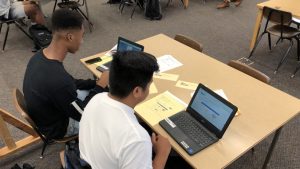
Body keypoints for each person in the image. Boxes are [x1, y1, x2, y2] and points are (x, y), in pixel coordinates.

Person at [23, 9, 109, 140]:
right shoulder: (58, 80)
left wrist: (95, 83)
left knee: (101, 95)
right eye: (82, 36)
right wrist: (100, 86)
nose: (82, 41)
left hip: (50, 112)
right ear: (70, 37)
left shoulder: (40, 56)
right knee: (110, 113)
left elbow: (70, 82)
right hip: (60, 127)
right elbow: (82, 113)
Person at [79, 51, 171, 169]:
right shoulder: (136, 138)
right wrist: (162, 153)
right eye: (149, 84)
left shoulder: (97, 98)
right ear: (137, 91)